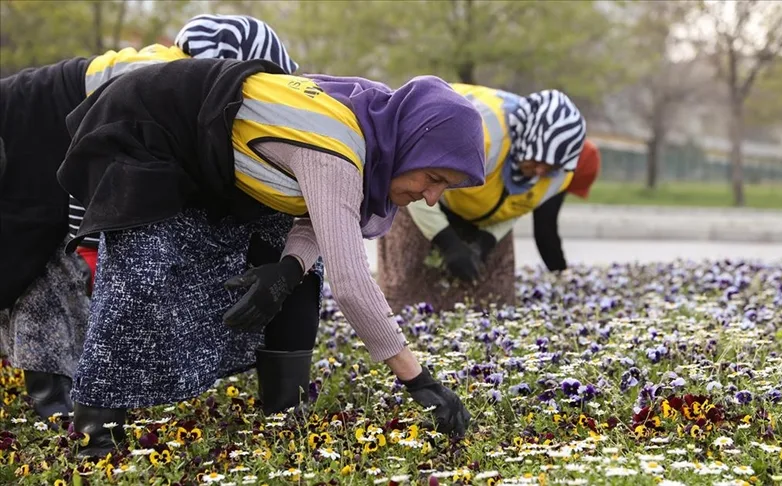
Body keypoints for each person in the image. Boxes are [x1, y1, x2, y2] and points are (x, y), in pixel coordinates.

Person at [57, 59, 485, 457]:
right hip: (142, 124)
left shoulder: (371, 120)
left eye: (444, 189)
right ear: (412, 144)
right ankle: (97, 434)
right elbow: (352, 284)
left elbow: (316, 212)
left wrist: (287, 270)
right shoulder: (338, 151)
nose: (431, 198)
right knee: (143, 273)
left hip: (205, 140)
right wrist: (419, 381)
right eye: (434, 178)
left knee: (296, 264)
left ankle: (285, 406)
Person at [0, 14, 299, 422]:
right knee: (38, 260)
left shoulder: (170, 79)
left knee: (50, 257)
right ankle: (54, 403)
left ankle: (59, 399)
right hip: (32, 127)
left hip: (50, 124)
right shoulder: (161, 80)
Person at [376, 83, 586, 312]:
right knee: (407, 291)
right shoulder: (481, 137)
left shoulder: (558, 175)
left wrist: (485, 241)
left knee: (494, 301)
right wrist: (448, 241)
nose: (540, 172)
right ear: (527, 140)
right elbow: (420, 180)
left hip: (484, 212)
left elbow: (518, 204)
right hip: (424, 194)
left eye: (550, 166)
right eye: (536, 160)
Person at [530, 139, 601, 271]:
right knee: (546, 224)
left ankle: (557, 267)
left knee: (546, 224)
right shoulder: (585, 153)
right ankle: (558, 268)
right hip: (564, 171)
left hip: (562, 172)